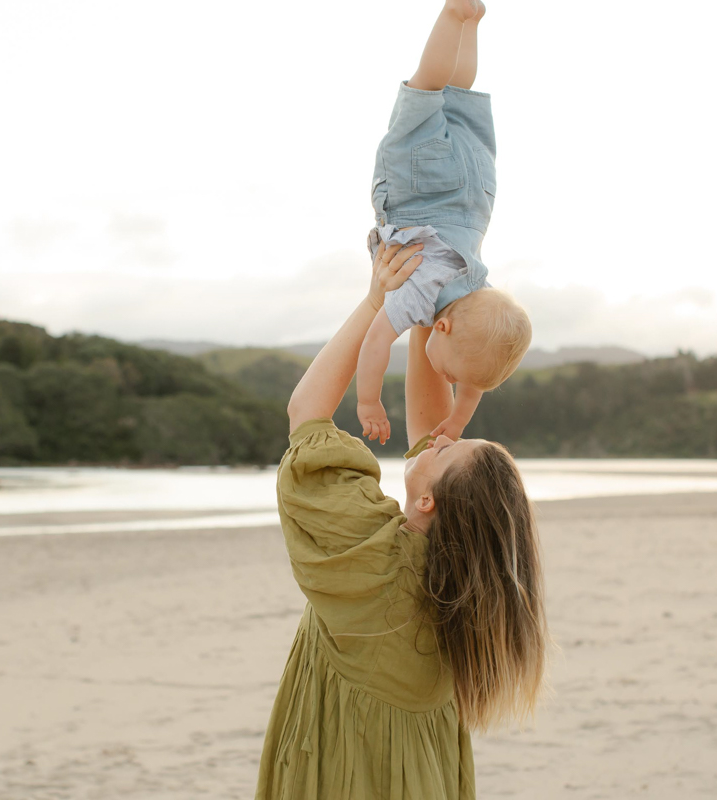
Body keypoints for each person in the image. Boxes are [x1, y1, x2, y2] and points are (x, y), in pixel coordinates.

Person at [253, 226, 549, 792]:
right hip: (424, 770)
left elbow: (307, 418)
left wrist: (378, 302)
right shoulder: (460, 587)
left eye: (449, 448)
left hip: (345, 763)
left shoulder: (373, 557)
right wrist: (431, 316)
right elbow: (428, 425)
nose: (441, 437)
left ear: (431, 499)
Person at [357, 0, 532, 447]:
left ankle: (469, 22)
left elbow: (474, 384)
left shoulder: (479, 303)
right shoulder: (421, 292)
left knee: (455, 96)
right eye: (451, 372)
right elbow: (376, 343)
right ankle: (453, 13)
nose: (449, 379)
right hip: (421, 186)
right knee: (425, 90)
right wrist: (368, 402)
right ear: (441, 327)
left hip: (475, 192)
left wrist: (454, 426)